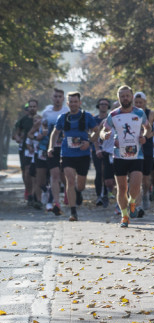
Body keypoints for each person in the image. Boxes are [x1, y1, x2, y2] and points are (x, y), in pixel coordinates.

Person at [102, 86, 151, 227]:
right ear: (119, 98)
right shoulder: (113, 114)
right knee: (122, 188)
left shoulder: (139, 113)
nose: (125, 98)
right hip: (119, 155)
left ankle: (132, 202)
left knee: (135, 184)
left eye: (127, 96)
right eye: (122, 96)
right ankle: (124, 216)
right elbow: (103, 130)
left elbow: (148, 128)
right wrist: (104, 135)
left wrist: (144, 136)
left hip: (137, 154)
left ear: (132, 97)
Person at [48, 91, 100, 222]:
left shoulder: (87, 116)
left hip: (83, 155)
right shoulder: (62, 117)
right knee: (70, 180)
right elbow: (55, 133)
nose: (73, 104)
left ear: (79, 103)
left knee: (80, 185)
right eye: (71, 102)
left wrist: (89, 142)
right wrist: (51, 147)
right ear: (68, 103)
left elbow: (97, 131)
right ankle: (73, 212)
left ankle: (78, 192)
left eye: (75, 101)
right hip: (67, 154)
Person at [40, 88, 69, 214]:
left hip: (66, 148)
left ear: (63, 99)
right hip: (51, 147)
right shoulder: (46, 112)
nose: (57, 99)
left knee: (65, 175)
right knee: (55, 174)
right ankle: (56, 202)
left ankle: (70, 191)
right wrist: (44, 131)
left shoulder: (67, 111)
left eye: (60, 97)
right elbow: (43, 127)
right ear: (52, 98)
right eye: (55, 96)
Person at [13, 100, 38, 203]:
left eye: (34, 107)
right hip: (25, 149)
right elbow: (16, 133)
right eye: (30, 107)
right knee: (26, 171)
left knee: (37, 171)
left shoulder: (40, 119)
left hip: (38, 148)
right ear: (28, 108)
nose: (32, 108)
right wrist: (18, 138)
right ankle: (29, 192)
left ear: (37, 108)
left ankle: (37, 193)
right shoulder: (23, 120)